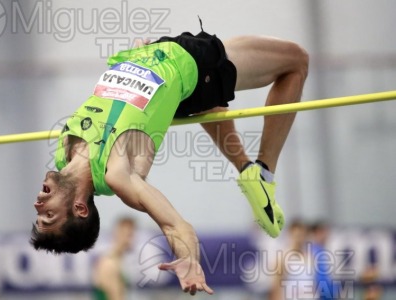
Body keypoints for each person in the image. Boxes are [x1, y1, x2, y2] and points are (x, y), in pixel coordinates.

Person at [30, 23, 309, 295]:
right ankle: (264, 171)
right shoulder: (118, 173)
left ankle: (245, 167)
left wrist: (137, 61)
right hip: (191, 64)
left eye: (39, 214)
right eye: (49, 215)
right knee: (296, 61)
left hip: (156, 61)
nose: (38, 204)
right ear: (80, 208)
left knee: (207, 103)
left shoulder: (63, 152)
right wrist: (188, 258)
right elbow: (174, 225)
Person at [92, 217, 135, 300]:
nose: (133, 239)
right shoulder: (110, 263)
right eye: (130, 235)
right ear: (118, 234)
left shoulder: (117, 261)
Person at [270, 220, 314, 300]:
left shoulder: (309, 257)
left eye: (302, 235)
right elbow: (276, 286)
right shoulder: (283, 257)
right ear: (290, 235)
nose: (299, 239)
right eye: (297, 235)